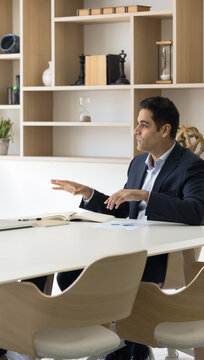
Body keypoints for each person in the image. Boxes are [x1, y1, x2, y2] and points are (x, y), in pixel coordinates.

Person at [51, 96, 204, 360]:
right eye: (137, 124)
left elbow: (196, 211)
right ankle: (119, 341)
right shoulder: (137, 164)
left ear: (165, 130)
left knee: (102, 278)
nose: (136, 131)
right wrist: (89, 194)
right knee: (68, 275)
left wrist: (146, 196)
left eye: (143, 125)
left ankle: (125, 343)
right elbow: (124, 209)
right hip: (124, 250)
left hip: (159, 259)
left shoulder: (191, 166)